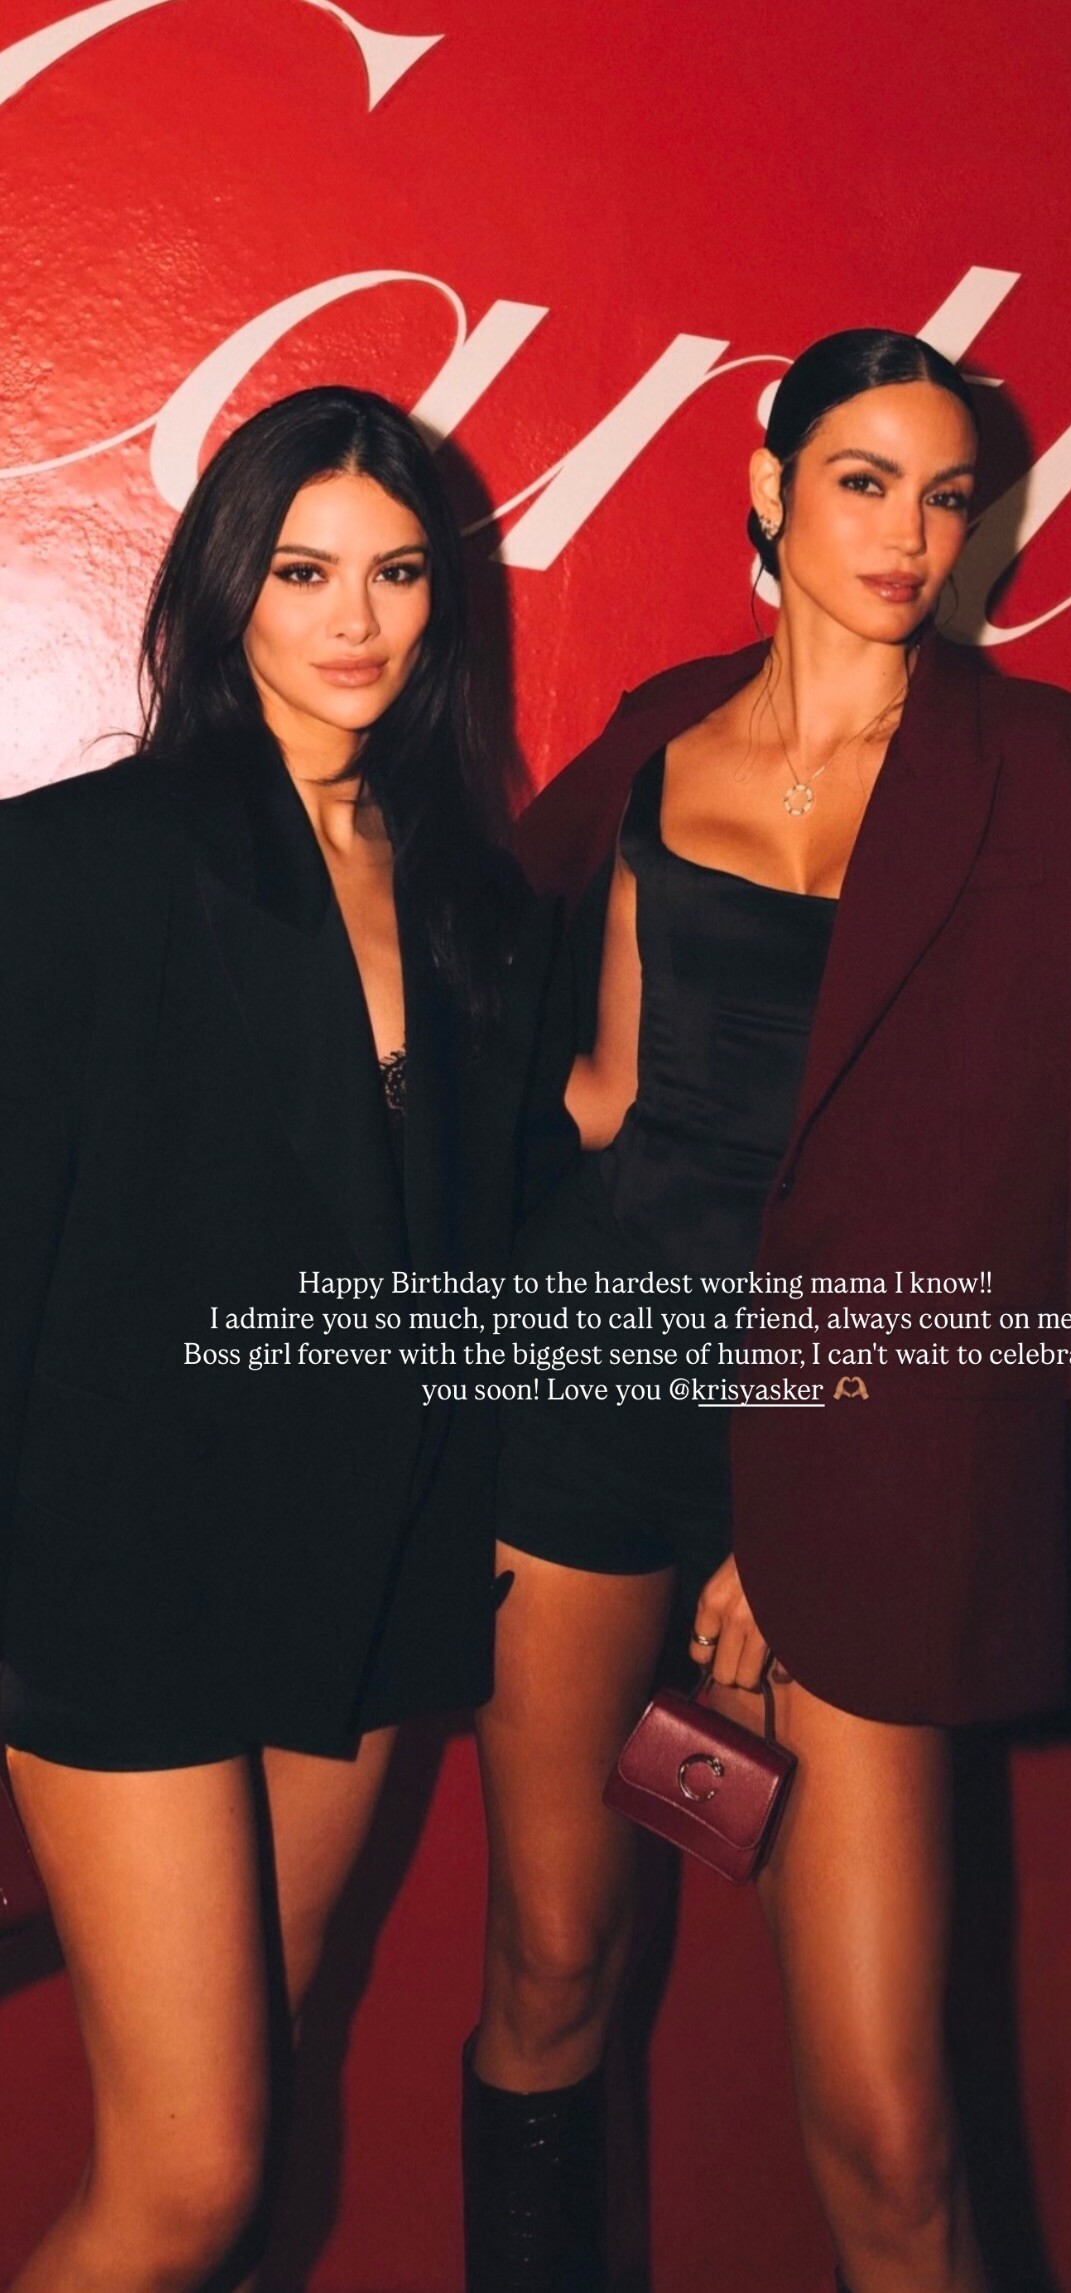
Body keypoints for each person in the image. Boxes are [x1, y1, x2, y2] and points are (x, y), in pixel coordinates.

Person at [467, 331, 1071, 2293]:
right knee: (549, 1969)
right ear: (767, 487)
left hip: (862, 1442)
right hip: (587, 1405)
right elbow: (583, 1080)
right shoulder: (663, 735)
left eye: (944, 492)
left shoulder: (1060, 781)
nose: (909, 532)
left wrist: (807, 1484)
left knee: (892, 2128)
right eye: (861, 480)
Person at [0, 386, 565, 2292]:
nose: (356, 619)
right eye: (306, 569)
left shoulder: (476, 898)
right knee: (191, 2178)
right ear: (226, 583)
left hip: (359, 1578)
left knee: (270, 2072)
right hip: (120, 1578)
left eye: (397, 573)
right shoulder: (79, 862)